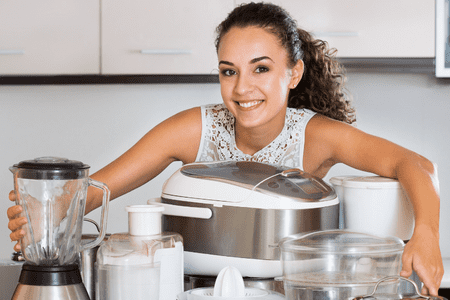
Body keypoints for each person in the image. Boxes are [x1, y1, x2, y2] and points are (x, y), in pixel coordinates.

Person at [7, 1, 443, 295]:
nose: (242, 88)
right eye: (228, 71)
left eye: (261, 69)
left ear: (293, 74)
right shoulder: (194, 128)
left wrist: (425, 232)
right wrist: (51, 213)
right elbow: (98, 189)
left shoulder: (316, 136)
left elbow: (413, 164)